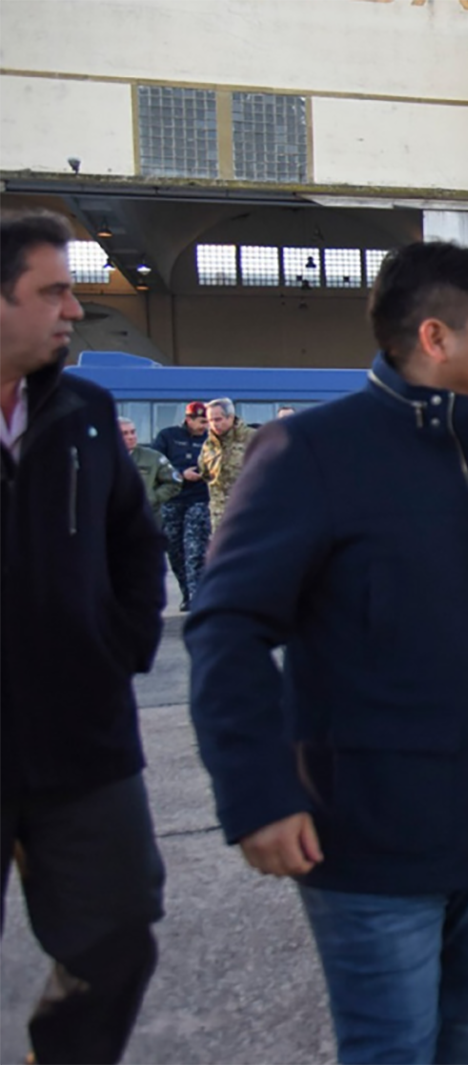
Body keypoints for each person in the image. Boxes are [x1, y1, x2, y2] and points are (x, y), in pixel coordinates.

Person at [185, 240, 468, 1065]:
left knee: (461, 1035)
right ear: (436, 338)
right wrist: (256, 792)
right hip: (371, 833)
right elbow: (227, 628)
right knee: (392, 1049)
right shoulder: (315, 453)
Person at [0, 207, 169, 1064]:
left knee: (117, 936)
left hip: (80, 734)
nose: (75, 309)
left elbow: (135, 544)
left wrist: (119, 648)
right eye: (54, 290)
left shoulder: (86, 414)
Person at [153, 402, 212, 608]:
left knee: (195, 548)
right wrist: (180, 473)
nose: (205, 426)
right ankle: (187, 593)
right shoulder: (168, 437)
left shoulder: (211, 440)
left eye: (208, 421)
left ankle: (198, 597)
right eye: (201, 421)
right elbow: (157, 465)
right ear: (189, 419)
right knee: (175, 550)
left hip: (200, 499)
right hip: (174, 500)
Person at [197, 396, 253, 531]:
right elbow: (205, 473)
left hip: (249, 512)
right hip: (220, 517)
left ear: (231, 417)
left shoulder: (253, 439)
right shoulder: (209, 445)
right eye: (209, 420)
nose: (213, 425)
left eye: (218, 419)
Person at [121, 415, 180, 519]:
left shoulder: (153, 458)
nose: (131, 437)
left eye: (133, 432)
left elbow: (174, 482)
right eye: (124, 434)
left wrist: (153, 498)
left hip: (146, 519)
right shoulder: (101, 459)